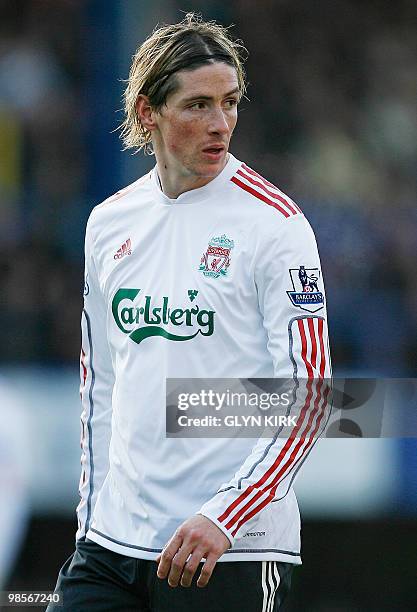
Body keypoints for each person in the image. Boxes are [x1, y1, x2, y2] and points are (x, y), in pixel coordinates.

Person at [49, 13, 331, 612]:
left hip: (228, 549)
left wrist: (225, 516)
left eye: (229, 103)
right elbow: (99, 387)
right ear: (149, 111)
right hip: (112, 547)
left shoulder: (275, 226)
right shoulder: (108, 224)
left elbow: (309, 394)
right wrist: (90, 522)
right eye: (198, 105)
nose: (221, 123)